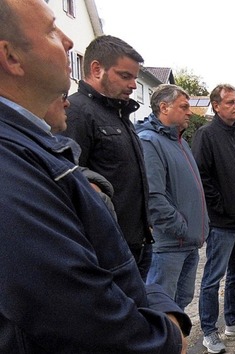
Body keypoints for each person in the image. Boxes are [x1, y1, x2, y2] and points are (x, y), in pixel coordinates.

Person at [0, 0, 190, 352]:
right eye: (49, 31)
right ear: (10, 57)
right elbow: (63, 299)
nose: (69, 42)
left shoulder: (120, 117)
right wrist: (162, 336)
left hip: (132, 246)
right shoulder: (46, 136)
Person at [60, 34, 154, 280]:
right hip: (107, 251)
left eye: (134, 77)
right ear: (96, 69)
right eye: (126, 76)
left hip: (137, 243)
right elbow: (70, 184)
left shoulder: (120, 115)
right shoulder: (76, 112)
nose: (134, 85)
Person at [192, 84, 235, 353]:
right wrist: (220, 207)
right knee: (212, 278)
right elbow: (203, 177)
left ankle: (233, 322)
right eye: (230, 102)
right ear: (216, 106)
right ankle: (209, 331)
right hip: (222, 223)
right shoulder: (205, 135)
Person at [135, 84, 209, 310]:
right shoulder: (149, 141)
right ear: (164, 107)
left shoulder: (179, 141)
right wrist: (181, 228)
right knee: (162, 307)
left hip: (188, 242)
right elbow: (153, 197)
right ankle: (164, 346)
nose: (189, 112)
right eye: (184, 106)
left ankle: (177, 345)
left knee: (181, 302)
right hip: (169, 245)